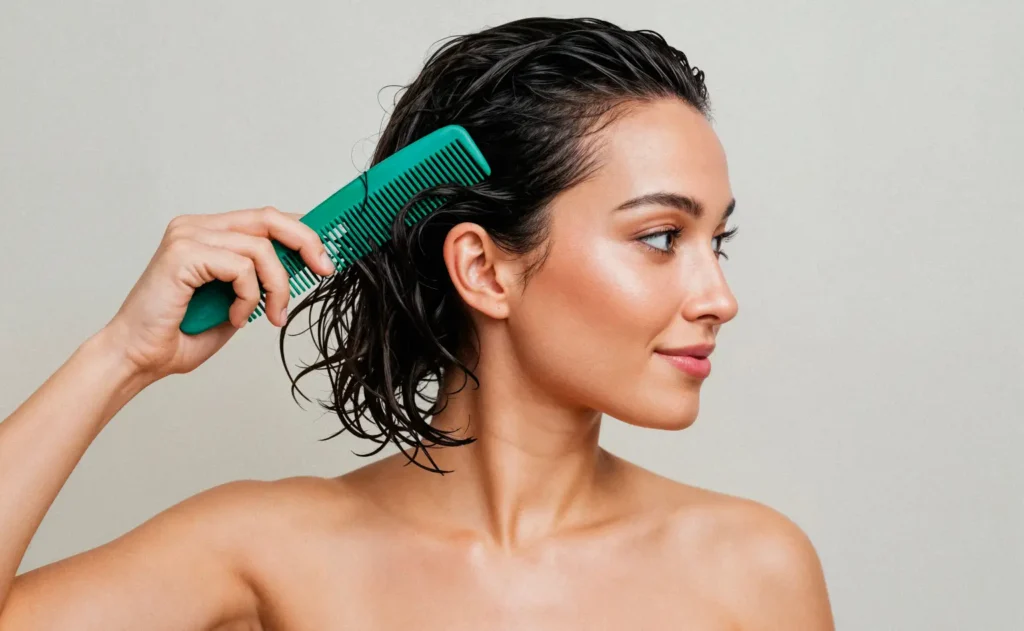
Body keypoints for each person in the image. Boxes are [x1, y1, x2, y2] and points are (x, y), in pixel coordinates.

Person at [0, 16, 834, 630]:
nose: (718, 296)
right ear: (482, 267)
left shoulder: (751, 570)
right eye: (661, 237)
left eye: (714, 240)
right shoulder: (274, 549)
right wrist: (119, 356)